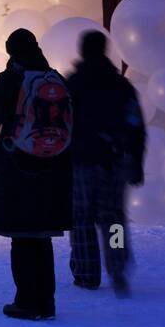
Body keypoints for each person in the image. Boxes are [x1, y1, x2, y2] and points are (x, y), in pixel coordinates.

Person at [0, 28, 73, 321]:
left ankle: (26, 302)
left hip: (19, 166)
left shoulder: (13, 79)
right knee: (41, 238)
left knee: (22, 238)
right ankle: (46, 302)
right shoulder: (55, 77)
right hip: (53, 168)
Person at [65, 30, 146, 296]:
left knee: (82, 219)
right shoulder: (122, 86)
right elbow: (136, 124)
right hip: (115, 159)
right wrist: (136, 160)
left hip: (83, 160)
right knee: (113, 219)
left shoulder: (73, 84)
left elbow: (63, 124)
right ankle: (118, 266)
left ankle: (87, 273)